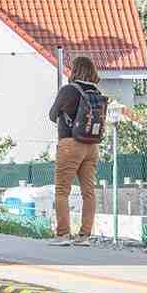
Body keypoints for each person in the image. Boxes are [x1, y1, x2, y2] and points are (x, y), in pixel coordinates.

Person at [47, 56, 107, 245]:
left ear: (75, 70)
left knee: (62, 190)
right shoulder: (95, 91)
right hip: (92, 146)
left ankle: (63, 234)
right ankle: (84, 236)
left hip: (70, 144)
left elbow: (52, 115)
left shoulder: (68, 90)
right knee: (88, 191)